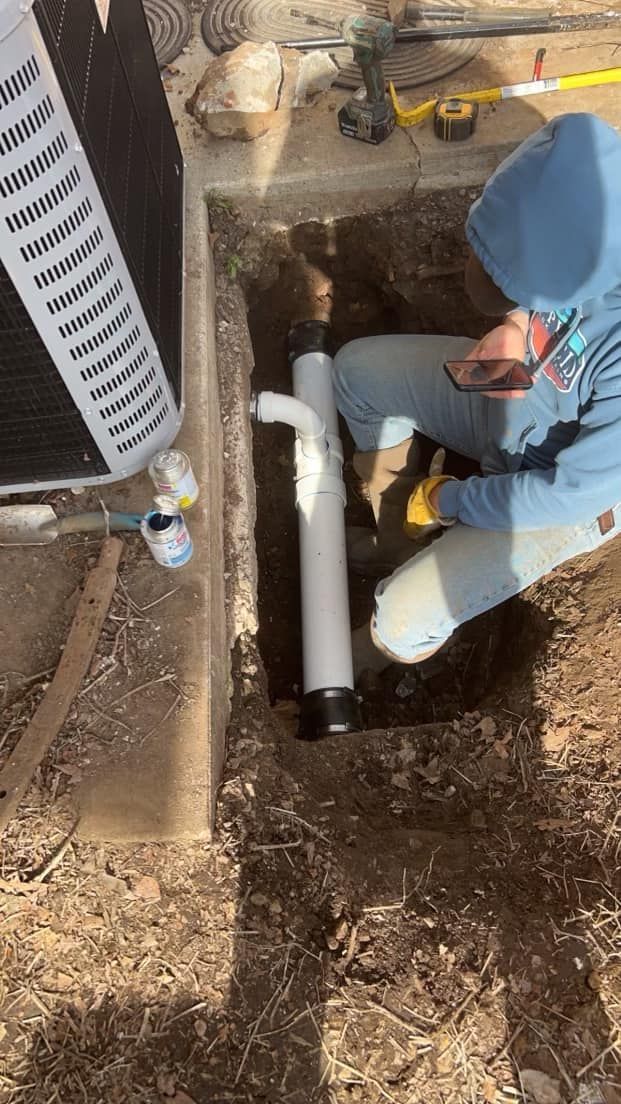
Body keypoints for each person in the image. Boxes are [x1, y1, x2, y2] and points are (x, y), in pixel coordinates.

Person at [332, 112, 621, 677]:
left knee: (402, 614)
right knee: (356, 374)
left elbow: (571, 495)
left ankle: (378, 659)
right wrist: (516, 323)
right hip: (518, 382)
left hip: (567, 490)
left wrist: (453, 501)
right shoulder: (581, 182)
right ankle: (397, 537)